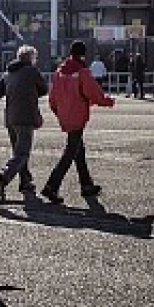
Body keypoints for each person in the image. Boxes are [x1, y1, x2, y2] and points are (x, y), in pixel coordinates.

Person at [42, 40, 115, 205]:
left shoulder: (59, 71)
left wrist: (59, 112)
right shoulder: (82, 72)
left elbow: (52, 98)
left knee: (78, 151)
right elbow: (93, 92)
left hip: (65, 114)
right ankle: (51, 186)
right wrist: (108, 101)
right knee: (70, 152)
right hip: (77, 115)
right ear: (83, 54)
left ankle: (86, 184)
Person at [0, 44, 49, 202]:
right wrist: (31, 93)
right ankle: (4, 176)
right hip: (25, 117)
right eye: (35, 58)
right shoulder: (31, 71)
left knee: (18, 152)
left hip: (10, 119)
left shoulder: (8, 74)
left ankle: (25, 181)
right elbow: (44, 88)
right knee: (22, 153)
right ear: (30, 58)